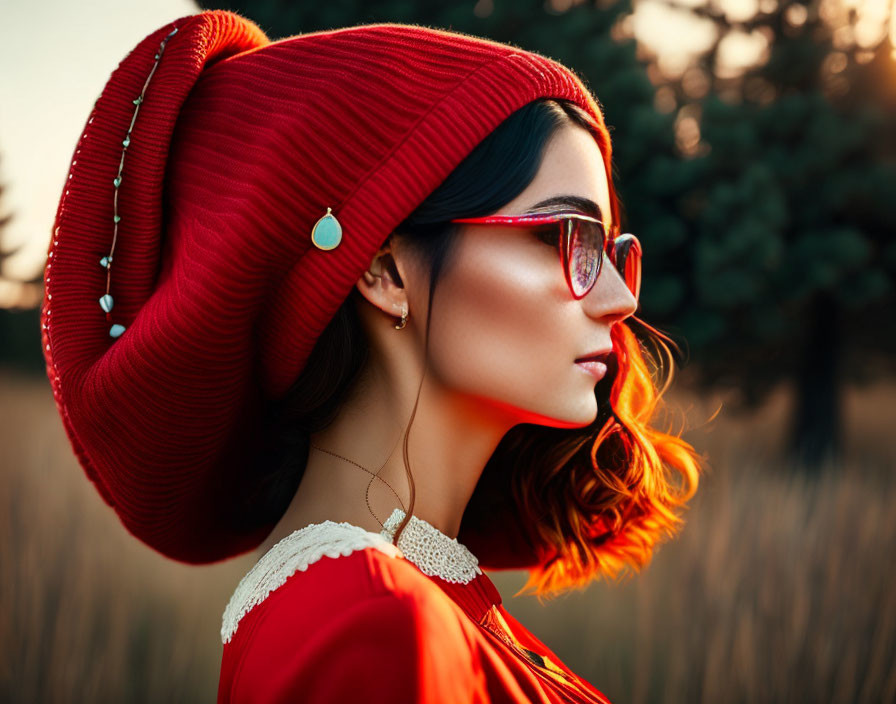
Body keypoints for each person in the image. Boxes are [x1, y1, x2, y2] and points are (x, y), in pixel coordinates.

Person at [41, 9, 704, 703]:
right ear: (385, 273)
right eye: (563, 236)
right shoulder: (371, 619)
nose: (618, 300)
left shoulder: (406, 593)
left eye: (607, 250)